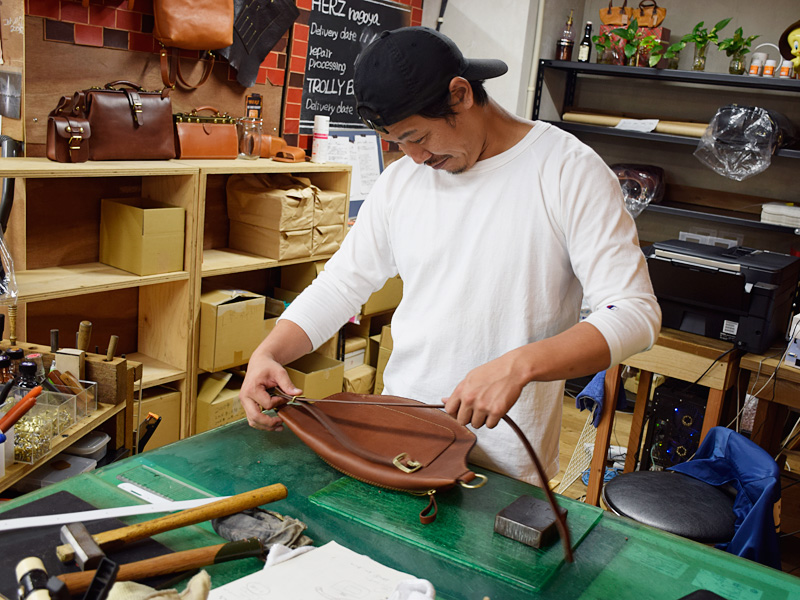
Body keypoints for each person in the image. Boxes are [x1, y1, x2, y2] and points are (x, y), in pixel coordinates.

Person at [240, 26, 661, 486]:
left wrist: (519, 365)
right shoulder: (402, 182)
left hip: (503, 464)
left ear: (459, 94)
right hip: (400, 441)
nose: (415, 157)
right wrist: (269, 352)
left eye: (417, 136)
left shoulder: (567, 171)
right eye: (399, 142)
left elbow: (634, 313)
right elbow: (342, 285)